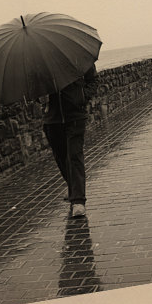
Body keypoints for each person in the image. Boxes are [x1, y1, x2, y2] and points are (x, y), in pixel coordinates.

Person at [43, 64, 99, 218]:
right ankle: (73, 188)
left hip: (75, 116)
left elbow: (93, 80)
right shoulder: (40, 63)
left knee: (74, 155)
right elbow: (33, 89)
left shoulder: (77, 57)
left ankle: (78, 201)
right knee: (61, 157)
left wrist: (81, 97)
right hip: (52, 118)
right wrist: (39, 99)